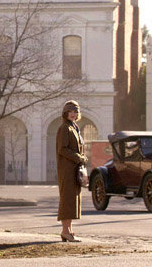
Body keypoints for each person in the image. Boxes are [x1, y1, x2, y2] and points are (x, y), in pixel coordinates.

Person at [56, 100, 88, 242]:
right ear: (65, 113)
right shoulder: (64, 128)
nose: (73, 114)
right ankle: (65, 231)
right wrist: (79, 157)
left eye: (75, 111)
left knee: (72, 200)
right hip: (67, 169)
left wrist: (82, 158)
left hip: (74, 169)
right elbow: (62, 149)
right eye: (70, 111)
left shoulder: (74, 127)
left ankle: (69, 230)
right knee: (67, 199)